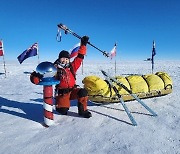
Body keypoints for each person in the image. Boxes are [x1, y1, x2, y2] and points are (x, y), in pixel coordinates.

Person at [53, 36, 92, 118]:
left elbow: (80, 57)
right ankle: (60, 104)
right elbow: (44, 75)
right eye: (63, 58)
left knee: (83, 92)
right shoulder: (54, 68)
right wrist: (36, 76)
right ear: (59, 59)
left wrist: (83, 45)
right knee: (63, 111)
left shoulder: (72, 67)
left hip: (73, 90)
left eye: (67, 59)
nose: (65, 60)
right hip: (62, 93)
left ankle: (83, 111)